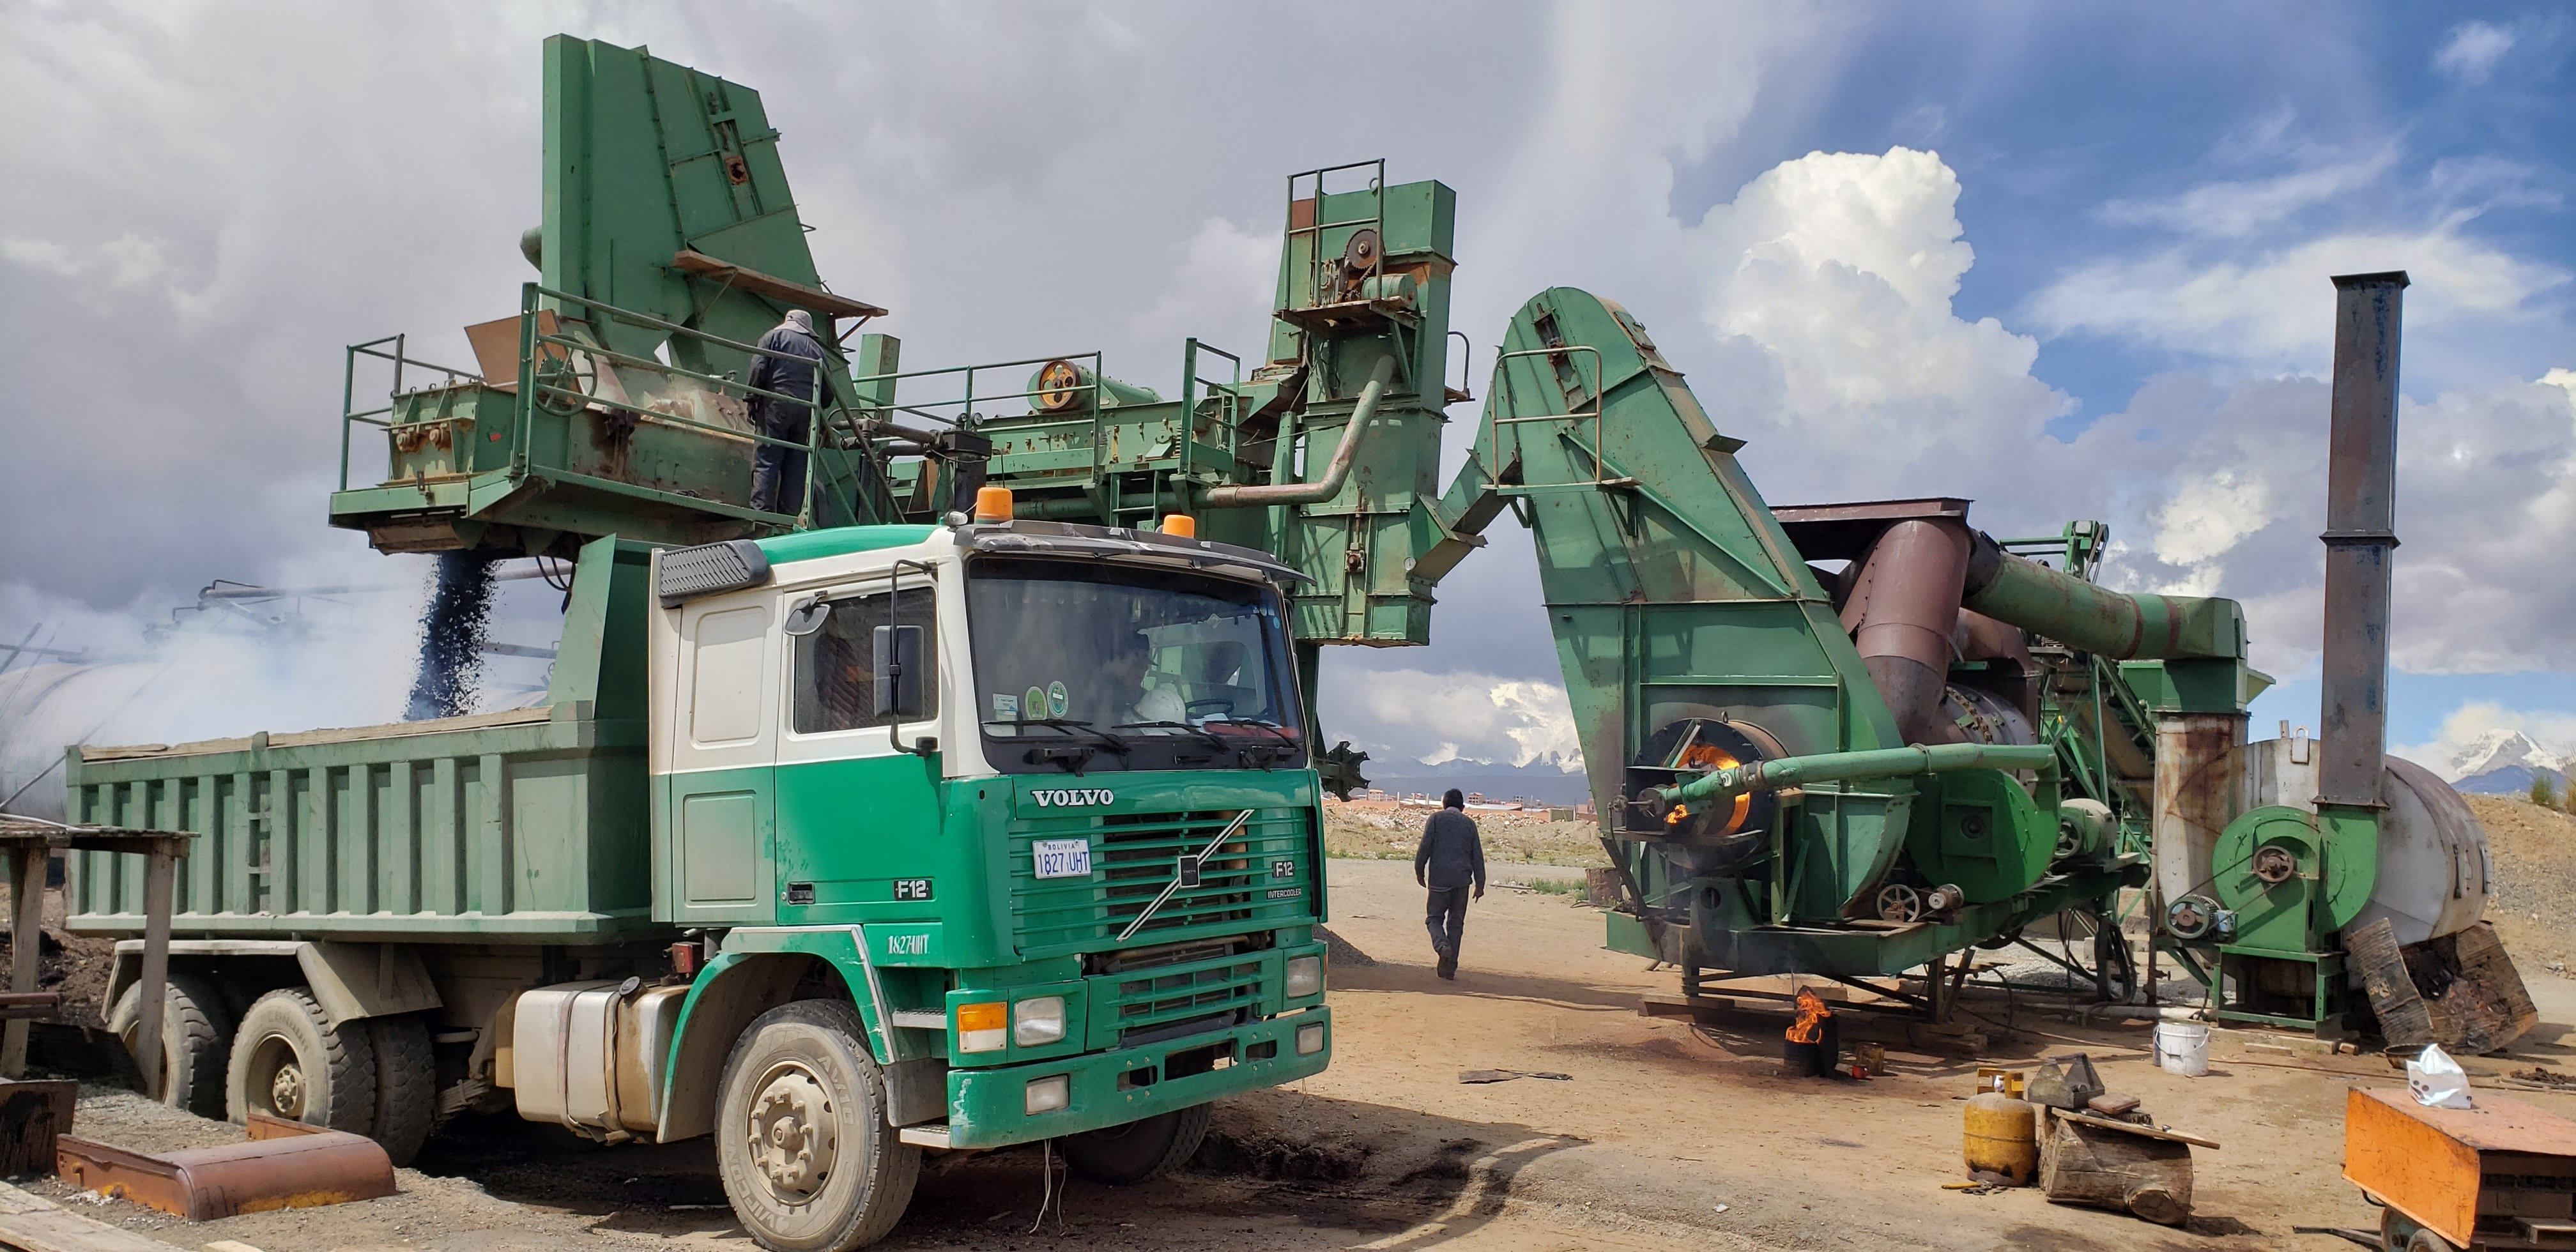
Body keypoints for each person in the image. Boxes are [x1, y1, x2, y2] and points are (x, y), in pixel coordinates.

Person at [747, 308, 826, 515]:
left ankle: (761, 514)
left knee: (767, 459)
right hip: (806, 412)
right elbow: (827, 393)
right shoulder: (818, 350)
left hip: (776, 405)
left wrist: (751, 398)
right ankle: (788, 517)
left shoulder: (773, 337)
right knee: (796, 466)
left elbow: (759, 367)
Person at [1414, 789, 1485, 980]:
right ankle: (1449, 968)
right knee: (1456, 925)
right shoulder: (1470, 825)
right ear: (1462, 808)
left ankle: (1442, 946)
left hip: (1439, 881)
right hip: (1462, 882)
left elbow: (1424, 849)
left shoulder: (1436, 820)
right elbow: (1477, 855)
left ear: (1443, 805)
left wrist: (1419, 872)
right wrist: (1480, 884)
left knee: (1434, 919)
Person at [1101, 639, 1186, 726]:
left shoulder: (1145, 697)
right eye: (1136, 665)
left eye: (1145, 666)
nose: (1142, 672)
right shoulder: (1100, 694)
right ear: (1116, 662)